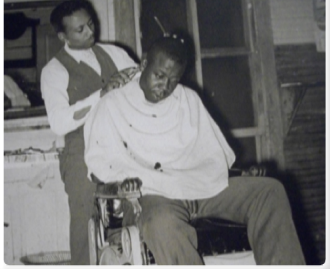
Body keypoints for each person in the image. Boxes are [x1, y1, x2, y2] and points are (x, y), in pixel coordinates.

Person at [84, 35, 306, 265]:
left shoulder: (187, 100)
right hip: (152, 194)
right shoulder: (112, 105)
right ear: (143, 63)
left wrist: (234, 174)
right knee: (162, 223)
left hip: (200, 189)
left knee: (270, 191)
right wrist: (124, 181)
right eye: (159, 76)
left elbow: (209, 156)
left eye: (174, 79)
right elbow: (100, 165)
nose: (165, 87)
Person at [40, 0, 137, 265]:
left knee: (133, 214)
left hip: (120, 146)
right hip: (79, 153)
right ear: (63, 36)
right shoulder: (54, 71)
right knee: (85, 225)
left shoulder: (115, 54)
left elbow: (140, 84)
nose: (90, 32)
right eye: (80, 29)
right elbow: (59, 123)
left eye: (91, 24)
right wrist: (101, 94)